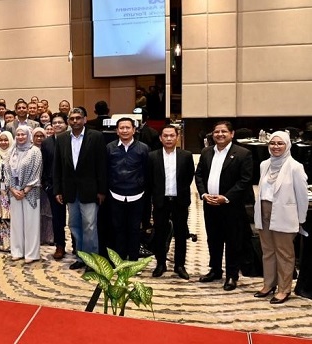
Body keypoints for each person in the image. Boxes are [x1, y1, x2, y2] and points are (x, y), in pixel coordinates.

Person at [195, 121, 253, 291]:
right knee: (213, 239)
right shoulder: (206, 152)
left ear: (232, 134)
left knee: (233, 241)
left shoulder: (243, 153)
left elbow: (245, 180)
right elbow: (199, 175)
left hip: (231, 206)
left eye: (224, 132)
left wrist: (226, 198)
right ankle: (215, 270)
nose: (220, 134)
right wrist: (204, 194)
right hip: (210, 204)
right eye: (216, 132)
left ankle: (232, 275)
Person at [253, 131, 308, 304]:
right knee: (268, 251)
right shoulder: (264, 164)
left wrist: (300, 220)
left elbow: (302, 196)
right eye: (272, 143)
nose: (276, 147)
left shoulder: (295, 167)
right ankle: (268, 284)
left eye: (280, 144)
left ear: (287, 145)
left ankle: (284, 289)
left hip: (285, 214)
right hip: (264, 210)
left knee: (284, 253)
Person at [53, 108, 107, 268]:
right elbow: (58, 167)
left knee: (90, 226)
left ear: (85, 119)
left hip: (90, 191)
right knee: (74, 226)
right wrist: (58, 190)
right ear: (68, 121)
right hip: (70, 191)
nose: (75, 121)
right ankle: (81, 258)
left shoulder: (96, 137)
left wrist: (102, 190)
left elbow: (102, 165)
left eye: (78, 118)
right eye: (72, 118)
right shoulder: (61, 139)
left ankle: (93, 261)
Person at [147, 125, 194, 280]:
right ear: (160, 138)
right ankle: (161, 264)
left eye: (172, 136)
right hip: (161, 201)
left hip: (179, 201)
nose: (168, 139)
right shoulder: (152, 156)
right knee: (160, 233)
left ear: (177, 137)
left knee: (181, 234)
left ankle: (179, 265)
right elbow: (150, 180)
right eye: (165, 136)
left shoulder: (186, 156)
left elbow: (189, 177)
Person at [106, 117, 149, 261]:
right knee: (117, 229)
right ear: (116, 131)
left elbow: (146, 171)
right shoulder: (110, 147)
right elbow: (106, 170)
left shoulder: (143, 148)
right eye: (121, 128)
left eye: (127, 128)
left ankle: (133, 261)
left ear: (134, 130)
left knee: (134, 230)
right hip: (115, 195)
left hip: (137, 195)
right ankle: (119, 260)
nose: (124, 130)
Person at [7, 125, 43, 264]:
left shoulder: (35, 151)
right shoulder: (12, 150)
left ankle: (31, 253)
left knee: (31, 223)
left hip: (30, 191)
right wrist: (12, 189)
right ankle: (17, 251)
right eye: (18, 135)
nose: (20, 137)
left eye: (23, 134)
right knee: (16, 223)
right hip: (14, 191)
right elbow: (7, 170)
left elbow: (36, 172)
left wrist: (25, 190)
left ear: (28, 136)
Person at [42, 115, 68, 259]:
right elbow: (45, 166)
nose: (57, 125)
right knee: (57, 218)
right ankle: (60, 245)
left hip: (72, 186)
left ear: (66, 124)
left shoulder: (72, 140)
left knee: (74, 219)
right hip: (53, 186)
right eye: (54, 123)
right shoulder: (47, 143)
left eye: (60, 122)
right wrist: (46, 184)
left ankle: (78, 246)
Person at [32, 127, 53, 245]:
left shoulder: (48, 149)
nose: (39, 138)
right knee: (35, 212)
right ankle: (37, 237)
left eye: (42, 136)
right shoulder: (29, 150)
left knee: (47, 212)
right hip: (32, 187)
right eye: (36, 136)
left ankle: (49, 237)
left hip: (46, 185)